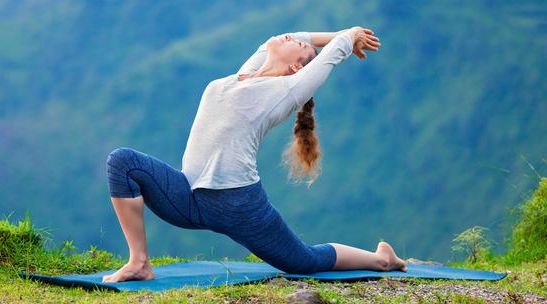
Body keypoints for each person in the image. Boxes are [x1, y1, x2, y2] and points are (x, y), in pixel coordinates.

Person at [103, 26, 407, 283]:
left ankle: (381, 260)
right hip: (189, 196)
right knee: (122, 162)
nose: (291, 38)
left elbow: (330, 58)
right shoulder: (245, 74)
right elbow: (290, 37)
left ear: (296, 69)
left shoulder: (287, 89)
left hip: (237, 204)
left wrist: (351, 35)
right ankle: (140, 262)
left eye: (298, 45)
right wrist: (337, 33)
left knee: (303, 260)